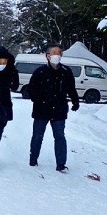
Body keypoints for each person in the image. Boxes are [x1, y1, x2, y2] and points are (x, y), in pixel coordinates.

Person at [27, 44, 80, 172]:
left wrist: (75, 101)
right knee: (37, 136)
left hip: (59, 110)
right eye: (54, 52)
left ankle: (61, 164)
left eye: (59, 53)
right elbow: (31, 89)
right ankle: (33, 158)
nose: (56, 55)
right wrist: (38, 100)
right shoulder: (39, 72)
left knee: (60, 136)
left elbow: (71, 89)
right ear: (48, 56)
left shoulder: (66, 72)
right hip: (41, 110)